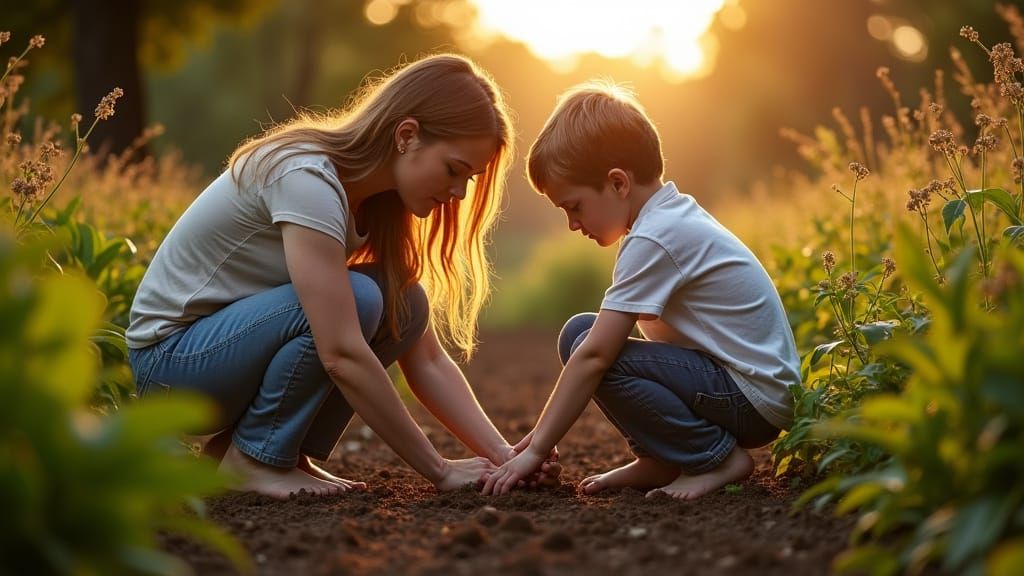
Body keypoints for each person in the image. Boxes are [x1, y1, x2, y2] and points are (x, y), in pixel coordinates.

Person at [127, 54, 558, 499]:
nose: (458, 193)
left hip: (222, 358)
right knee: (360, 300)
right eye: (454, 169)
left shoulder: (377, 202)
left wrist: (507, 457)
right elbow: (340, 352)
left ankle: (278, 452)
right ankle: (254, 460)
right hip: (171, 368)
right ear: (406, 135)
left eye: (470, 178)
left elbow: (426, 360)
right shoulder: (307, 179)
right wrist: (440, 470)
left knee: (405, 303)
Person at [482, 83, 801, 499]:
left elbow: (596, 356)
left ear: (617, 183)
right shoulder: (665, 219)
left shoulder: (656, 237)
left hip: (750, 397)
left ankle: (715, 458)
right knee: (579, 332)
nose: (572, 225)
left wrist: (537, 448)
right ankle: (663, 459)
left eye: (574, 206)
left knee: (589, 346)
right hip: (741, 387)